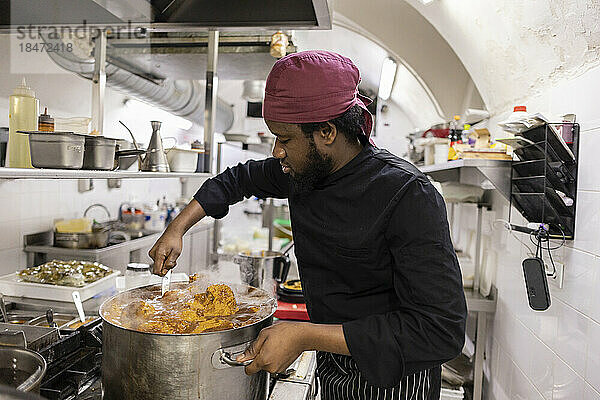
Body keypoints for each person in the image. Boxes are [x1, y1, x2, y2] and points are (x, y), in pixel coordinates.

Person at [149, 50, 467, 400]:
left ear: (328, 132)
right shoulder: (304, 169)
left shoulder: (406, 194)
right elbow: (236, 180)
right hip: (333, 363)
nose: (276, 152)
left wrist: (303, 335)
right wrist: (177, 228)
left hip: (395, 379)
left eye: (284, 139)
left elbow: (440, 330)